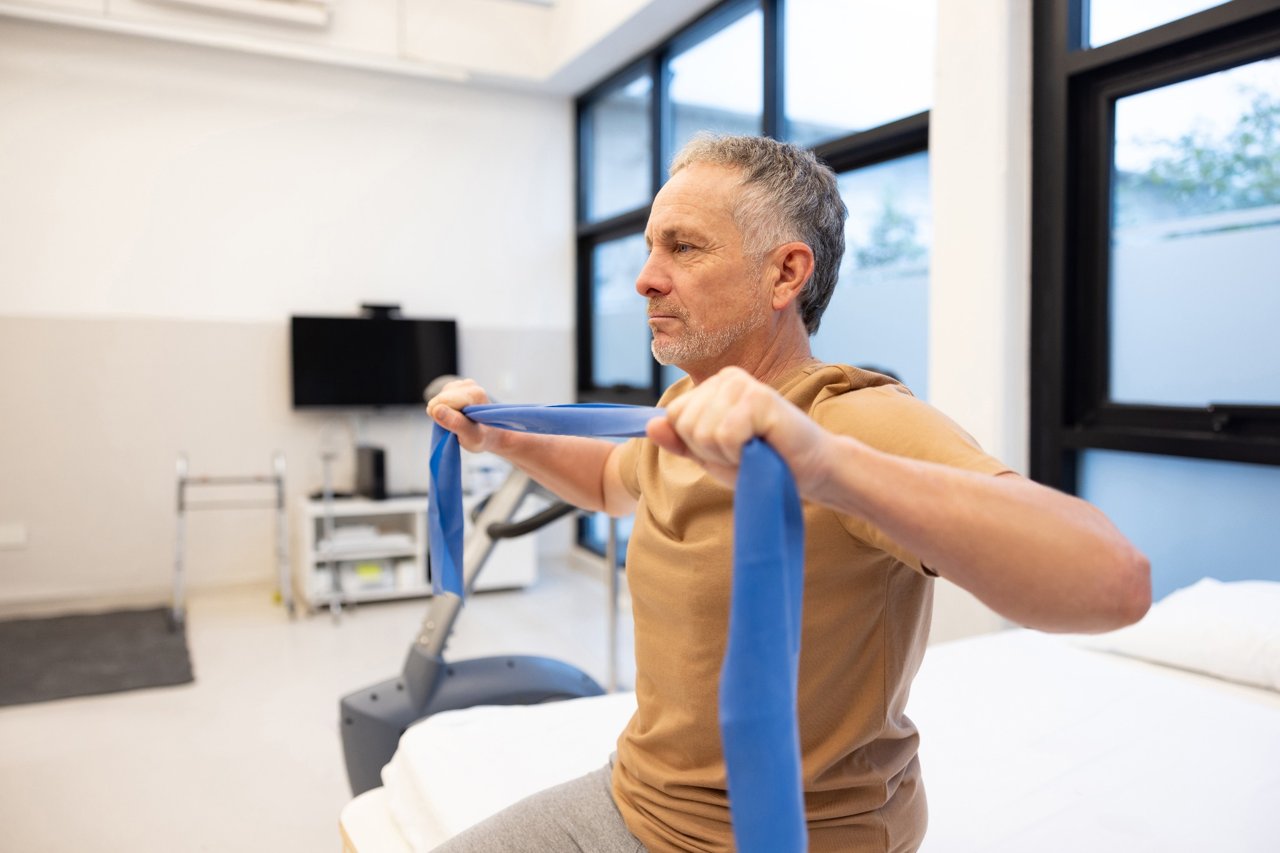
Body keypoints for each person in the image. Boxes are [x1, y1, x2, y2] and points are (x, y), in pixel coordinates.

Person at [426, 133, 1150, 852]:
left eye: (683, 247)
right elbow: (615, 482)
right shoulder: (691, 406)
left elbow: (1114, 582)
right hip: (638, 799)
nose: (645, 278)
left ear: (785, 274)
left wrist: (825, 465)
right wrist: (501, 437)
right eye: (649, 248)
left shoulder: (850, 418)